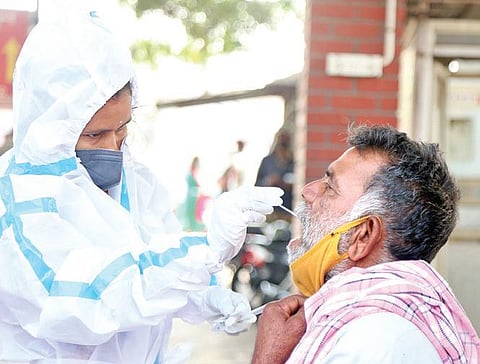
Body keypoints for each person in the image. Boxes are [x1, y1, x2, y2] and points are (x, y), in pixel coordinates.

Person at [0, 2, 284, 363]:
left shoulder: (132, 178)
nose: (112, 147)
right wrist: (207, 249)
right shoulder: (16, 204)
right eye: (94, 135)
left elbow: (153, 250)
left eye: (121, 129)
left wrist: (205, 295)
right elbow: (89, 297)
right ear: (51, 126)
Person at [251, 125, 480, 363]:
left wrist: (267, 358)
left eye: (330, 187)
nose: (308, 191)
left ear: (363, 236)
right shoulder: (370, 325)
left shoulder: (377, 340)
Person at [255, 128, 294, 217]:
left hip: (288, 207)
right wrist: (268, 181)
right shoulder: (267, 161)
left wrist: (285, 183)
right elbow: (257, 186)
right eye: (281, 141)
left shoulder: (292, 161)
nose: (282, 144)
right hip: (271, 209)